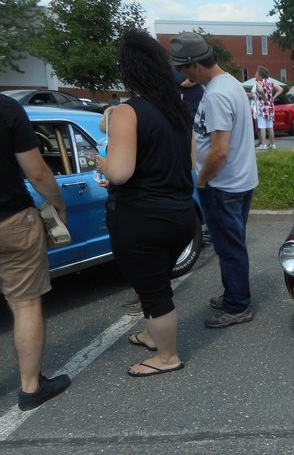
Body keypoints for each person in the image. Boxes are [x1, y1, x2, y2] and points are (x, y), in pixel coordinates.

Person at [93, 30, 196, 377]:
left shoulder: (128, 111)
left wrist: (101, 162)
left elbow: (120, 173)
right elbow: (191, 161)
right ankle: (155, 337)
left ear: (130, 71)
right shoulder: (177, 110)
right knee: (156, 283)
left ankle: (166, 355)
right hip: (181, 214)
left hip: (142, 217)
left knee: (154, 293)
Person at [168, 31, 257, 328]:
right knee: (232, 244)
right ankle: (234, 293)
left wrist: (202, 181)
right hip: (240, 180)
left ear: (194, 65)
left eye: (182, 68)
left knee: (229, 248)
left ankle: (237, 306)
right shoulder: (229, 83)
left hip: (223, 185)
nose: (181, 75)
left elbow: (219, 151)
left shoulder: (217, 94)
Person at [0, 95, 72, 409]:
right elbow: (38, 173)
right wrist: (58, 204)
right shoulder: (7, 109)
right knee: (25, 305)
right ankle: (31, 388)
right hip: (11, 220)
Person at [250, 65, 282, 150]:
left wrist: (264, 97)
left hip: (262, 106)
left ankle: (263, 144)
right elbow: (280, 89)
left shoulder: (259, 83)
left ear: (260, 74)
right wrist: (273, 98)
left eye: (256, 73)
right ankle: (272, 144)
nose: (255, 74)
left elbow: (260, 90)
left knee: (262, 126)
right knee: (270, 126)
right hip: (270, 107)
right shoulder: (270, 82)